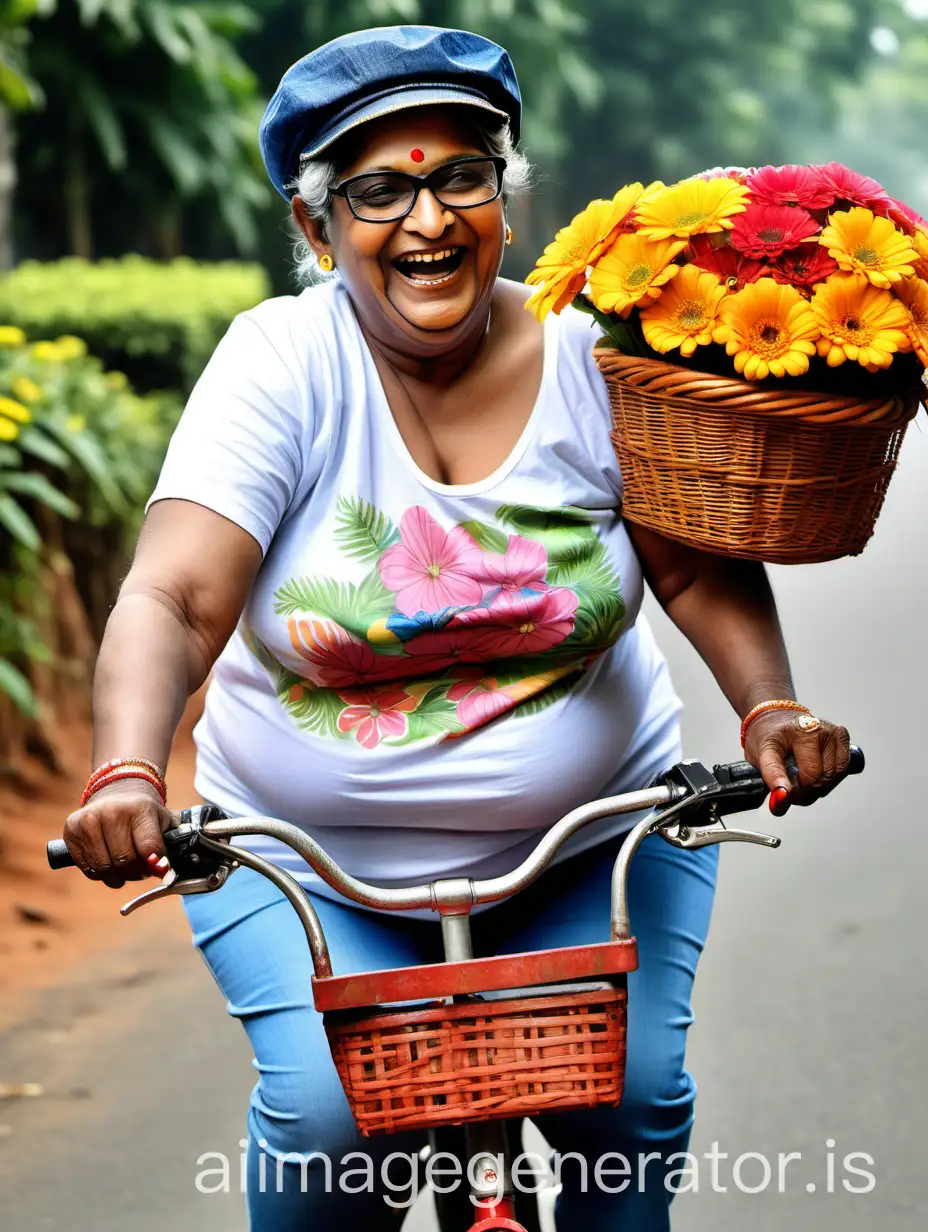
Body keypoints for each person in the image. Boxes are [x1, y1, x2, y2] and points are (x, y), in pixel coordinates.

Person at [61, 25, 852, 1232]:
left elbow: (692, 567)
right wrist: (127, 768)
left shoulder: (595, 356)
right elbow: (174, 595)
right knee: (333, 1129)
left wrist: (769, 705)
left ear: (505, 200)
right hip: (308, 868)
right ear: (318, 230)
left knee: (626, 1105)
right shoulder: (280, 365)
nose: (426, 219)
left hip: (595, 848)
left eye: (458, 176)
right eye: (377, 190)